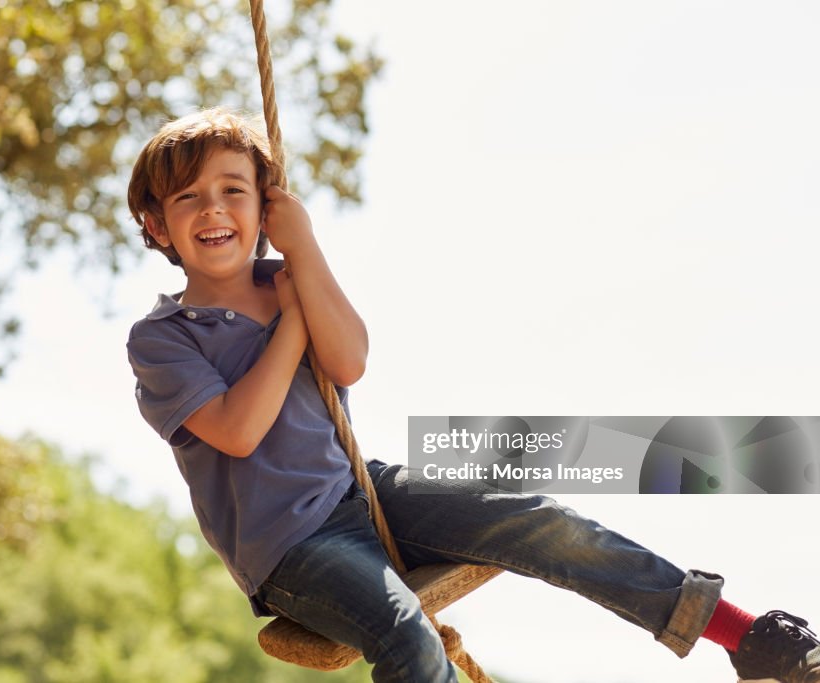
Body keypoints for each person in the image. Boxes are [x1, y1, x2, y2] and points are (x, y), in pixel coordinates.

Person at [124, 107, 820, 683]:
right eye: (188, 197)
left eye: (233, 190)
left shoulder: (291, 274)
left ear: (265, 205)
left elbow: (350, 360)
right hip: (290, 547)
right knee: (408, 639)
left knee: (538, 518)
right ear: (157, 225)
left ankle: (743, 637)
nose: (214, 209)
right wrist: (291, 315)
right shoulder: (162, 338)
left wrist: (305, 255)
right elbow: (240, 429)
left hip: (363, 491)